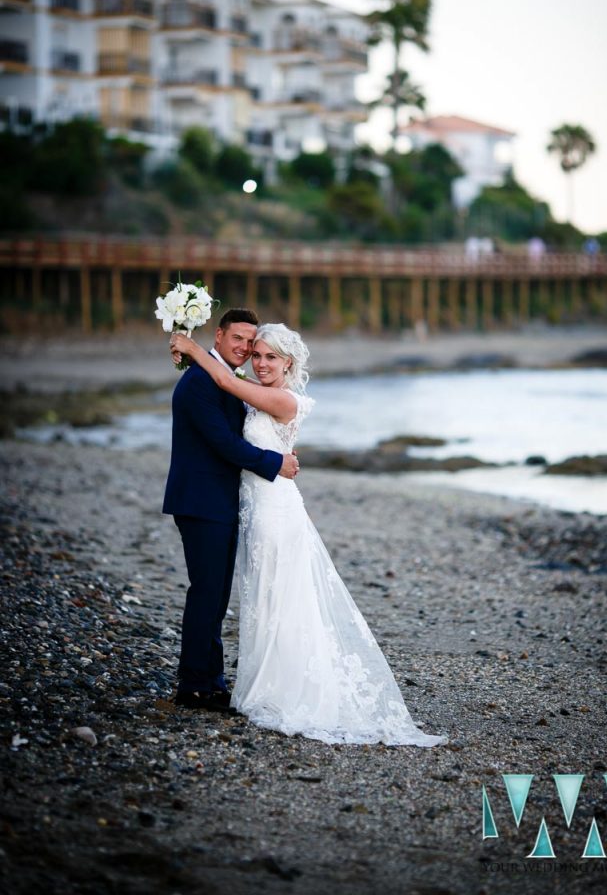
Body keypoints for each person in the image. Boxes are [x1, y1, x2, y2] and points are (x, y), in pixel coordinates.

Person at [170, 323, 446, 747]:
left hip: (275, 512)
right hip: (252, 508)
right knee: (262, 596)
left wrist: (191, 347)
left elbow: (225, 378)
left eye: (269, 357)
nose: (259, 361)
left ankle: (283, 689)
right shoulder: (254, 390)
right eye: (256, 354)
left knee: (281, 597)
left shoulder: (282, 398)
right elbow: (227, 392)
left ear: (288, 363)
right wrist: (276, 458)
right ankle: (246, 683)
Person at [163, 308, 299, 712]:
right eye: (237, 338)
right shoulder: (201, 381)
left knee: (216, 595)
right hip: (202, 501)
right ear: (218, 336)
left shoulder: (223, 378)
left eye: (250, 342)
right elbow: (224, 443)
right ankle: (193, 685)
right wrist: (276, 464)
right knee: (206, 593)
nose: (244, 348)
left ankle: (212, 680)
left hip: (222, 501)